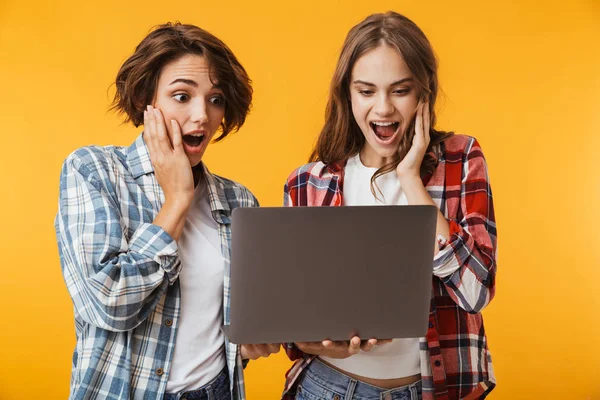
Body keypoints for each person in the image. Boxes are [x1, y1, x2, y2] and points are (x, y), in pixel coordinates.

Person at [55, 22, 279, 400]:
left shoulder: (239, 201)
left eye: (215, 99)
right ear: (148, 101)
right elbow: (109, 305)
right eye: (181, 96)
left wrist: (250, 343)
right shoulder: (93, 171)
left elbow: (233, 327)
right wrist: (177, 200)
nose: (202, 116)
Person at [281, 11, 497, 400]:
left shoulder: (461, 159)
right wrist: (322, 341)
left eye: (400, 90)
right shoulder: (307, 182)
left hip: (432, 389)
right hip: (327, 387)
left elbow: (475, 292)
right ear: (347, 94)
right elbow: (295, 331)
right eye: (366, 91)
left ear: (423, 92)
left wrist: (411, 179)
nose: (382, 109)